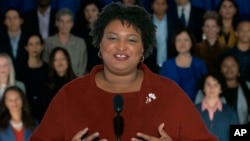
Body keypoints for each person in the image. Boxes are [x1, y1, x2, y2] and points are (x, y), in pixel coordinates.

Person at [29, 3, 216, 141]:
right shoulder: (70, 95)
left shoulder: (169, 93)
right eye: (112, 38)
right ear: (100, 45)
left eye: (132, 40)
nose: (121, 47)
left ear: (143, 49)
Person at [195, 53, 250, 125]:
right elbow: (197, 114)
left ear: (238, 68)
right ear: (220, 69)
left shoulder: (248, 86)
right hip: (217, 130)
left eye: (233, 65)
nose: (229, 69)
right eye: (225, 66)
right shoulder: (207, 88)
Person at [160, 28, 207, 102]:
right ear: (174, 43)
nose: (182, 43)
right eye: (178, 40)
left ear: (191, 43)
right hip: (173, 107)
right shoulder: (167, 66)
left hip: (197, 108)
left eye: (186, 40)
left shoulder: (200, 64)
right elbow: (162, 90)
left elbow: (206, 88)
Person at [42, 8, 88, 77]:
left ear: (72, 24)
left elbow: (82, 67)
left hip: (75, 83)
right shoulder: (48, 42)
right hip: (53, 83)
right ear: (57, 23)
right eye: (62, 21)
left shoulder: (80, 43)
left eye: (68, 22)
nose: (64, 25)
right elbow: (45, 64)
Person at [21, 33, 48, 122]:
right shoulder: (19, 69)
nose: (34, 47)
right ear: (26, 47)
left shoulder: (48, 68)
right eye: (31, 44)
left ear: (42, 46)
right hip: (25, 113)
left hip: (44, 113)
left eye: (37, 44)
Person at [73, 0, 102, 72]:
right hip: (82, 71)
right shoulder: (78, 32)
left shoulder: (105, 31)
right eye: (87, 11)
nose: (90, 14)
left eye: (93, 10)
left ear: (99, 12)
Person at [0, 8, 29, 81]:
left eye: (15, 18)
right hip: (4, 79)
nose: (12, 21)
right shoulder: (1, 39)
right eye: (9, 18)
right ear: (4, 21)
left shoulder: (30, 38)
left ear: (21, 20)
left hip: (27, 78)